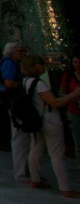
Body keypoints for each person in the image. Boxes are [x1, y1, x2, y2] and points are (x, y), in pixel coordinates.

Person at [21, 54, 80, 196]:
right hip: (50, 120)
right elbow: (54, 102)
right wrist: (74, 94)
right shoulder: (40, 84)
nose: (44, 66)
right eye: (41, 64)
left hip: (36, 120)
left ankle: (35, 179)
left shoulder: (25, 81)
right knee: (57, 154)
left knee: (36, 148)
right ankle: (65, 187)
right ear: (34, 66)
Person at [0, 42, 30, 182]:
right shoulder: (9, 64)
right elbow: (8, 83)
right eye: (20, 51)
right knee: (20, 138)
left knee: (22, 138)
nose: (23, 54)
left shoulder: (7, 63)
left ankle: (26, 169)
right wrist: (26, 84)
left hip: (15, 104)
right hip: (16, 104)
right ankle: (21, 172)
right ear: (12, 52)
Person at [60, 51, 80, 164]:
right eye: (75, 62)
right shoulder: (68, 77)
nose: (77, 65)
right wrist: (71, 96)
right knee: (78, 141)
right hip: (74, 111)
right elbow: (61, 93)